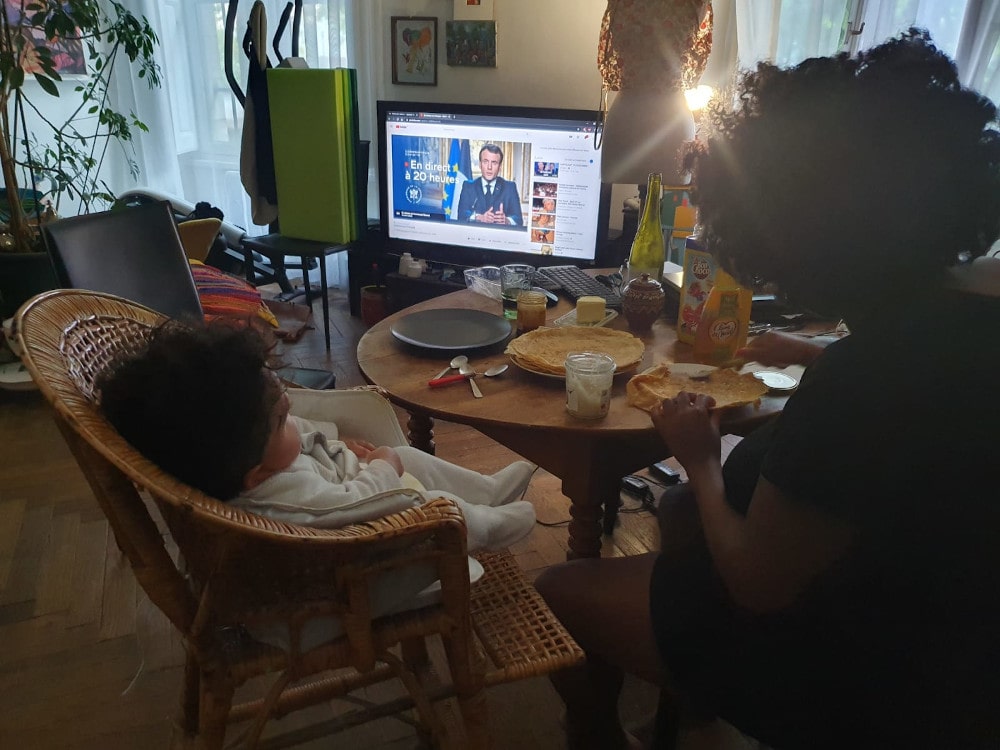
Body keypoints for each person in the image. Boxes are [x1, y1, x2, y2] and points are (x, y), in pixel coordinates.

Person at [535, 29, 1000, 750]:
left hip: (868, 666)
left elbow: (757, 584)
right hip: (958, 621)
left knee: (561, 589)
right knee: (685, 509)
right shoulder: (971, 303)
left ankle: (605, 732)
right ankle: (691, 712)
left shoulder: (865, 382)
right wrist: (813, 349)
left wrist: (701, 456)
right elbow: (916, 381)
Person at [96, 321, 537, 555]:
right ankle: (485, 526)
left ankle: (488, 490)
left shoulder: (249, 458)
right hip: (368, 550)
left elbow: (303, 439)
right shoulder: (285, 498)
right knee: (435, 506)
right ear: (255, 475)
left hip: (349, 485)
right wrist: (383, 467)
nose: (295, 422)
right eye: (283, 419)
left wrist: (342, 442)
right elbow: (356, 505)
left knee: (407, 455)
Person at [457, 143, 523, 226]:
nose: (489, 167)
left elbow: (519, 220)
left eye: (494, 163)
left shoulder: (510, 187)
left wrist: (507, 221)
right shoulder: (468, 186)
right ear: (480, 164)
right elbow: (461, 215)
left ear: (500, 167)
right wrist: (478, 218)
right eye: (485, 162)